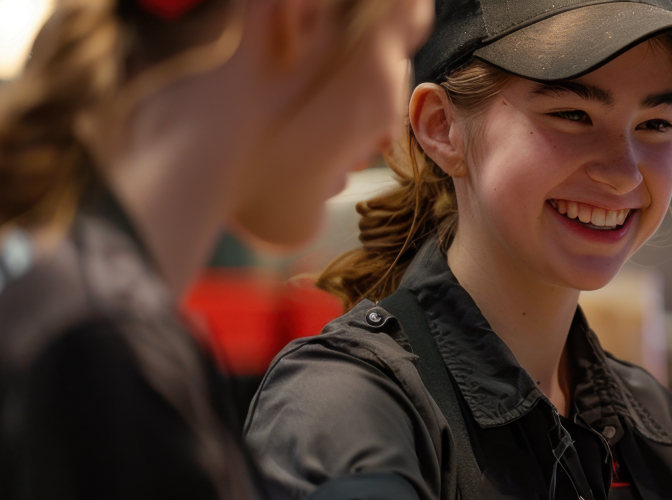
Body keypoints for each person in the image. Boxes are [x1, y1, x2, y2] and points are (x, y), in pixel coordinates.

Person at [241, 0, 672, 498]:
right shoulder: (349, 403)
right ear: (441, 128)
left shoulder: (657, 427)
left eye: (655, 125)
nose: (624, 175)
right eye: (572, 114)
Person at [0, 0, 432, 497]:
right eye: (404, 45)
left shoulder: (61, 297)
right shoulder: (101, 353)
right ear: (301, 17)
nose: (391, 130)